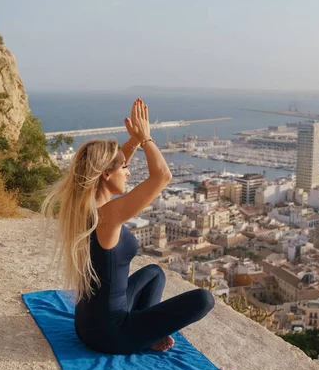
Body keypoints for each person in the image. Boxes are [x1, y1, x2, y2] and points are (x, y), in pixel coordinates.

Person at [42, 98, 215, 355]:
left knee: (155, 272)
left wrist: (131, 142)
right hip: (111, 335)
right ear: (106, 175)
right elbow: (162, 176)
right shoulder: (108, 216)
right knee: (204, 299)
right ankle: (143, 337)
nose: (129, 171)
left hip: (86, 325)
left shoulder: (83, 206)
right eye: (125, 167)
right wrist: (146, 138)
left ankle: (149, 334)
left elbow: (112, 167)